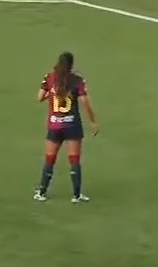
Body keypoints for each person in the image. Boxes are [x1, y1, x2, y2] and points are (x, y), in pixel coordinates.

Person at [34, 51, 99, 203]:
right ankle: (76, 195)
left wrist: (50, 94)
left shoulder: (49, 78)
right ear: (71, 65)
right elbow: (84, 102)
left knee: (50, 159)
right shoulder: (77, 80)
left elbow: (39, 97)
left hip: (54, 125)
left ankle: (41, 192)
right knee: (74, 160)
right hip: (72, 125)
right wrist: (93, 121)